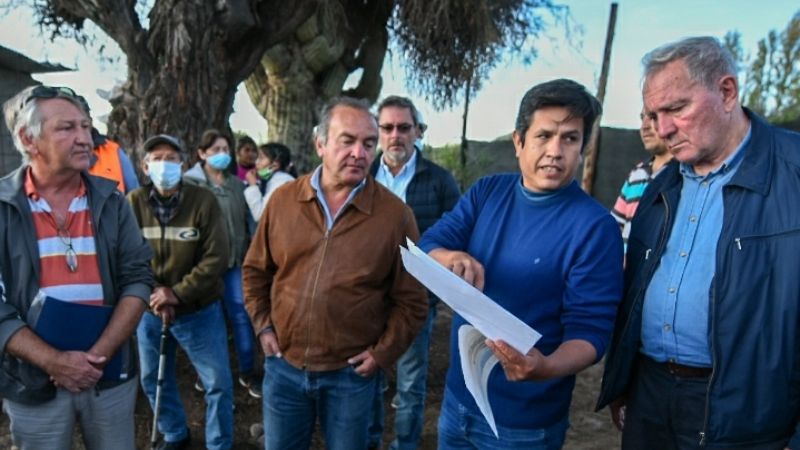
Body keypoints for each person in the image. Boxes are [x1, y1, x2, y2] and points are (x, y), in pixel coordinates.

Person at [597, 36, 800, 449]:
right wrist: (624, 379)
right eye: (654, 115)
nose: (663, 129)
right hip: (649, 393)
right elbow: (635, 291)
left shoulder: (793, 172)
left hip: (750, 408)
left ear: (727, 92)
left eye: (676, 109)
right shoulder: (659, 187)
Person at [418, 79, 623, 450]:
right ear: (519, 141)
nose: (555, 151)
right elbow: (430, 243)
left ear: (583, 148)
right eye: (544, 135)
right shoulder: (487, 192)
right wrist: (449, 257)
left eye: (570, 138)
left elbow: (591, 332)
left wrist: (546, 367)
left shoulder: (595, 227)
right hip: (458, 401)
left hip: (525, 424)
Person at [242, 96, 428, 450]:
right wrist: (263, 325)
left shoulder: (395, 216)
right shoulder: (283, 201)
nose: (359, 153)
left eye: (368, 144)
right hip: (283, 368)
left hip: (350, 378)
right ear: (321, 144)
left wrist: (381, 355)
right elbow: (254, 271)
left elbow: (413, 300)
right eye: (347, 141)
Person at [0, 85, 154, 449]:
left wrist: (98, 356)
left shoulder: (113, 201)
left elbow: (138, 279)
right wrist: (54, 362)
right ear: (28, 139)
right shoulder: (4, 206)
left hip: (108, 376)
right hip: (32, 381)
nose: (85, 138)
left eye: (86, 126)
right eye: (67, 128)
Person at [129, 134, 234, 450]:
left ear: (183, 164)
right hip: (150, 310)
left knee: (217, 383)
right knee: (152, 378)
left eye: (171, 158)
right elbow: (127, 256)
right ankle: (174, 432)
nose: (165, 165)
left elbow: (217, 256)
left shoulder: (203, 201)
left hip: (199, 310)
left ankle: (219, 443)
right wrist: (154, 295)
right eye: (157, 159)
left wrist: (177, 293)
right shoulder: (133, 202)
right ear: (145, 166)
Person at [368, 95, 460, 450]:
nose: (396, 135)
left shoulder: (439, 180)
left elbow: (456, 234)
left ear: (418, 131)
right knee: (369, 377)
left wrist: (433, 291)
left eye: (404, 127)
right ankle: (370, 441)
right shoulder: (362, 175)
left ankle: (404, 445)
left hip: (415, 300)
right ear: (378, 132)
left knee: (410, 383)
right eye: (388, 127)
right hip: (367, 298)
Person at [183, 130, 260, 397]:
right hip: (204, 266)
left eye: (225, 150)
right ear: (201, 153)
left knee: (241, 314)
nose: (221, 155)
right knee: (207, 319)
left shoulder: (237, 185)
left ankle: (248, 371)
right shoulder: (190, 186)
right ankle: (207, 375)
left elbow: (251, 222)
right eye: (215, 150)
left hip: (235, 262)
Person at [611, 109, 672, 253]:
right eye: (642, 118)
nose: (644, 126)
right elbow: (614, 226)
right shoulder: (637, 173)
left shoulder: (684, 175)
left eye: (653, 117)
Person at [75, 95, 140, 193]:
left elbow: (134, 193)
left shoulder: (114, 152)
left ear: (90, 121)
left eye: (82, 121)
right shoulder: (54, 158)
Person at [243, 142, 296, 222]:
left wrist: (252, 185)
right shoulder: (279, 180)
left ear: (275, 165)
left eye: (261, 158)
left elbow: (260, 215)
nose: (256, 162)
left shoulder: (280, 183)